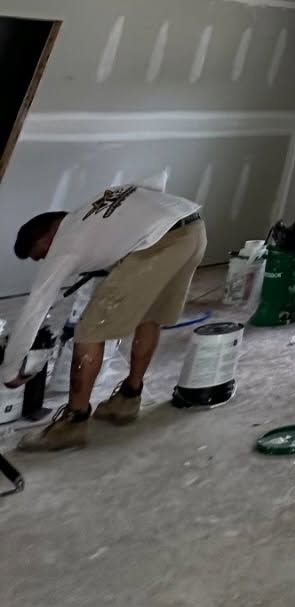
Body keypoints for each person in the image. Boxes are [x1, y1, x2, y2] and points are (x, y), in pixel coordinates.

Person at [4, 175, 206, 452]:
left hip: (157, 244)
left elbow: (36, 305)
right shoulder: (92, 211)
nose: (45, 261)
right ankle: (128, 399)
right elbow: (154, 180)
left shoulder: (66, 242)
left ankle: (72, 423)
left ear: (47, 236)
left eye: (41, 255)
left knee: (89, 330)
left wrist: (12, 369)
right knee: (150, 316)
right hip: (192, 228)